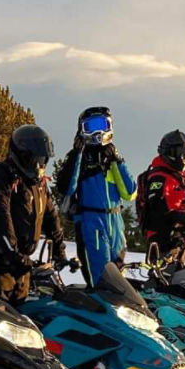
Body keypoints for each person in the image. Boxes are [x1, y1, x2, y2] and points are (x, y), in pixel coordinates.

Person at [0, 124, 68, 305]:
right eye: (36, 159)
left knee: (21, 322)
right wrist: (13, 253)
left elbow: (50, 217)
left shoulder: (38, 185)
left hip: (22, 265)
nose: (40, 166)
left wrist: (59, 251)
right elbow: (0, 215)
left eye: (43, 160)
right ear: (23, 156)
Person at [55, 107, 137, 286]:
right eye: (90, 127)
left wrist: (117, 161)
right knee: (100, 279)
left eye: (102, 125)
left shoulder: (112, 157)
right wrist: (77, 155)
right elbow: (66, 187)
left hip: (115, 222)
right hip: (91, 223)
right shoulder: (78, 157)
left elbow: (129, 192)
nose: (97, 132)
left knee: (119, 281)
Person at [136, 129, 185, 270]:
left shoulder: (184, 176)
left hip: (181, 239)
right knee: (163, 279)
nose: (183, 157)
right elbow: (157, 209)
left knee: (177, 279)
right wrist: (177, 223)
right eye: (179, 152)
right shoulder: (159, 176)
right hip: (164, 239)